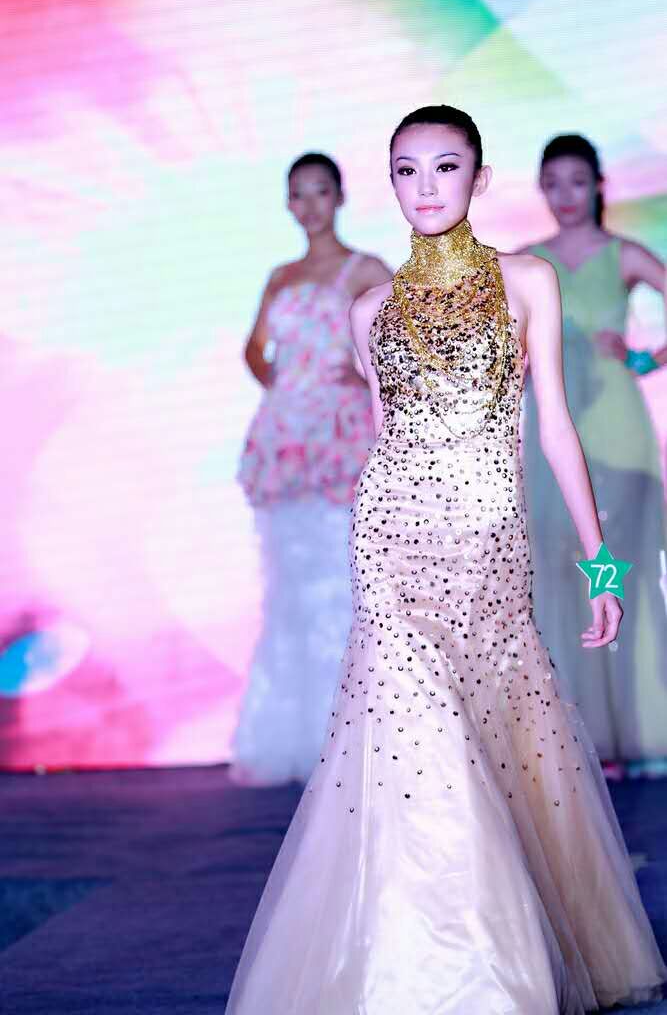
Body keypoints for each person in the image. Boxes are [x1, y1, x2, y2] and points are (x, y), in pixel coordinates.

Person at [226, 107, 666, 1013]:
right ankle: (445, 969)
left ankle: (495, 957)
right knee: (411, 742)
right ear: (388, 181)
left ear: (479, 177)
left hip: (488, 545)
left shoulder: (527, 281)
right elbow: (385, 439)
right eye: (405, 169)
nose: (424, 187)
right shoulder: (369, 311)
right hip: (391, 539)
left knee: (497, 737)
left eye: (444, 166)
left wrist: (601, 567)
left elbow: (553, 427)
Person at [233, 152, 392, 786]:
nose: (309, 205)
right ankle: (294, 735)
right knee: (290, 587)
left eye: (320, 191)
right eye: (297, 194)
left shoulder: (366, 269)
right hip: (286, 439)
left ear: (340, 196)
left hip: (341, 438)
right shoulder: (281, 275)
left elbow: (408, 339)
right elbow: (254, 349)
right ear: (287, 203)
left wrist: (357, 376)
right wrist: (284, 384)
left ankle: (357, 736)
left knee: (345, 581)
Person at [520, 134, 667, 767]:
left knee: (619, 572)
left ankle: (637, 725)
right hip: (555, 431)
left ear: (599, 185)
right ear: (540, 189)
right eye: (553, 183)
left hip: (616, 430)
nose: (566, 195)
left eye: (577, 181)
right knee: (562, 573)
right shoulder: (526, 264)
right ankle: (583, 736)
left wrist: (646, 358)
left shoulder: (623, 254)